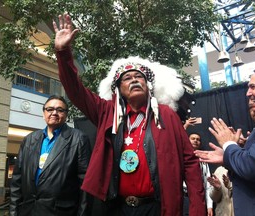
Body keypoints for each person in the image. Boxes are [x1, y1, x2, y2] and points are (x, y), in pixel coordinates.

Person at [52, 13, 206, 216]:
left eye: (139, 77)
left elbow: (189, 163)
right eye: (127, 78)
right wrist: (63, 53)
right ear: (118, 88)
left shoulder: (166, 115)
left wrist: (197, 210)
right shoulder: (107, 112)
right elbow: (75, 91)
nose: (134, 80)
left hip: (157, 208)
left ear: (148, 85)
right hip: (117, 208)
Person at [194, 66, 255, 216]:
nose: (248, 93)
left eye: (253, 87)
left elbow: (253, 165)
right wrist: (228, 156)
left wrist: (229, 144)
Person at [10, 95, 92, 216]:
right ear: (43, 113)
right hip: (28, 210)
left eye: (60, 110)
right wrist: (13, 212)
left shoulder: (79, 138)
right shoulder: (29, 140)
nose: (54, 113)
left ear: (66, 114)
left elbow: (85, 184)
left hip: (60, 211)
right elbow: (17, 180)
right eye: (50, 109)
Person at [183, 133, 213, 216]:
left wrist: (209, 206)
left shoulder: (203, 161)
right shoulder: (180, 157)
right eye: (193, 138)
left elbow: (208, 185)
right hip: (184, 198)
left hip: (198, 198)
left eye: (198, 139)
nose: (196, 140)